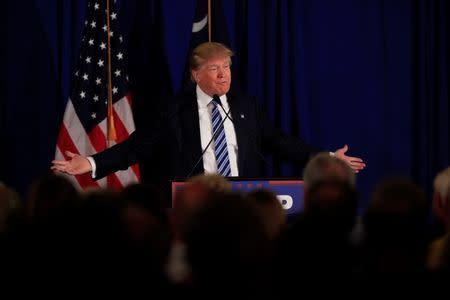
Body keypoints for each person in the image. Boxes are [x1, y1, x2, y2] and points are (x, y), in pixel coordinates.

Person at [51, 42, 365, 198]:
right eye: (214, 68)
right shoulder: (173, 110)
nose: (223, 74)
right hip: (197, 203)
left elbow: (282, 143)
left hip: (245, 201)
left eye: (226, 67)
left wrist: (326, 158)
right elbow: (134, 149)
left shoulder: (246, 106)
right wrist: (92, 163)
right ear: (195, 74)